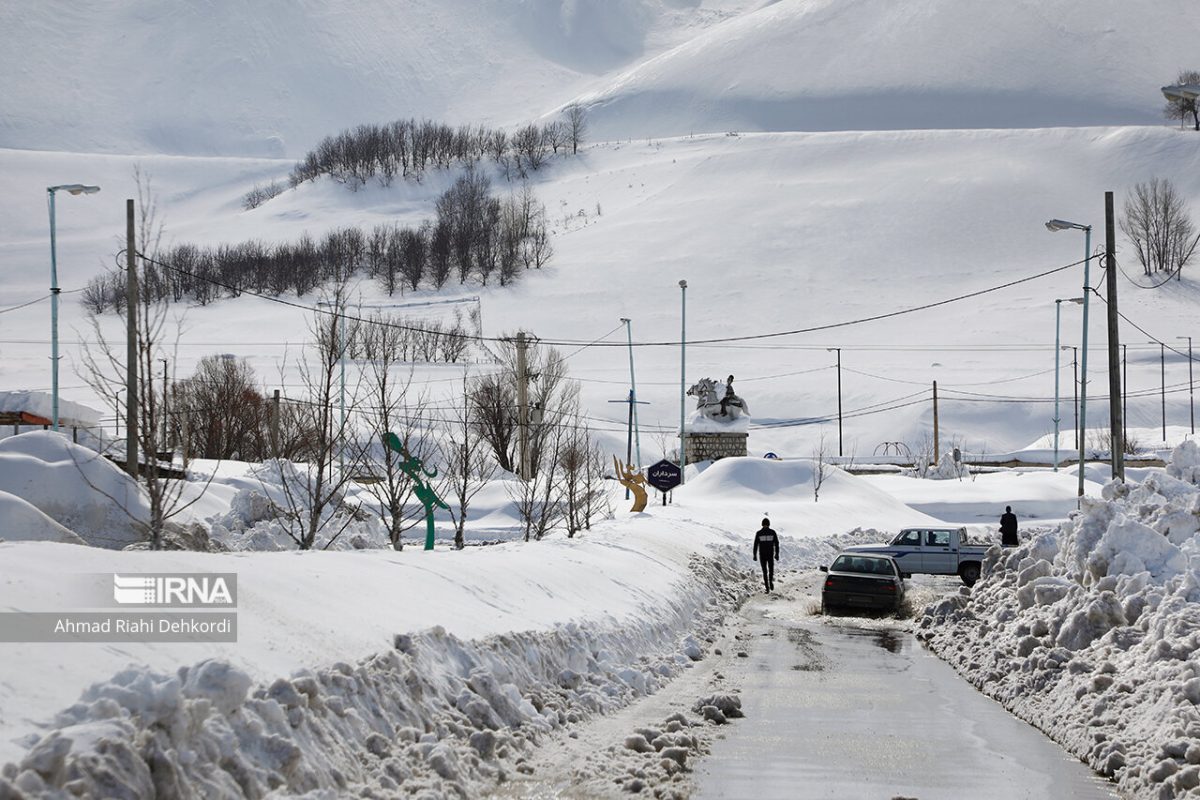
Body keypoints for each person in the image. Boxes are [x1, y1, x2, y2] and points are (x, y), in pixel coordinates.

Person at [752, 517, 780, 592]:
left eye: (766, 525)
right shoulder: (763, 533)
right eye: (765, 525)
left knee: (770, 570)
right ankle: (767, 587)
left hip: (768, 555)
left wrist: (777, 554)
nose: (765, 526)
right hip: (764, 555)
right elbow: (755, 544)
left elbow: (777, 543)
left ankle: (770, 583)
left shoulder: (768, 533)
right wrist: (754, 555)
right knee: (765, 571)